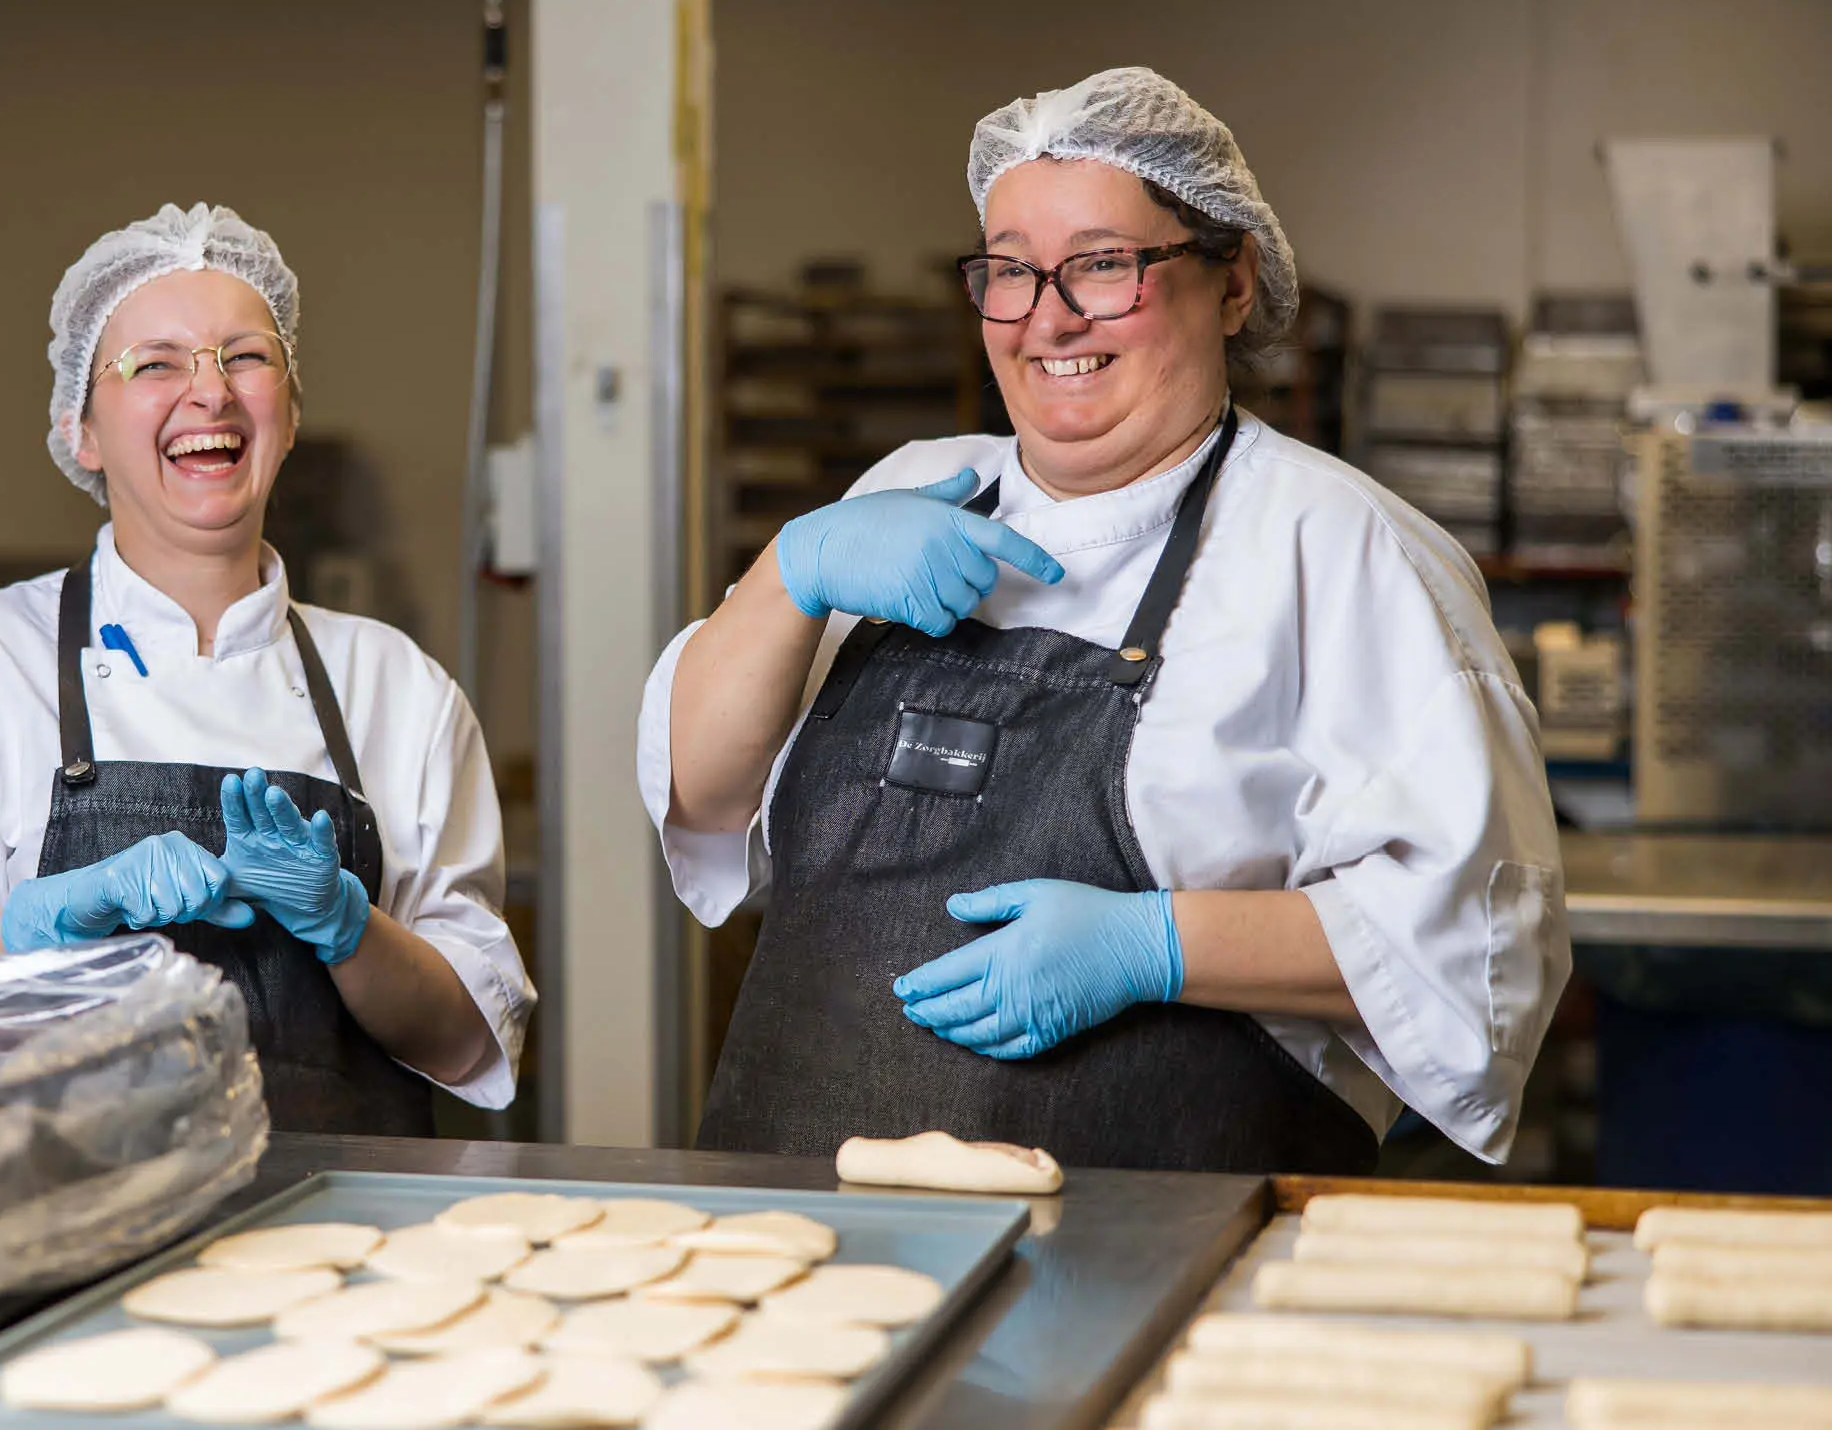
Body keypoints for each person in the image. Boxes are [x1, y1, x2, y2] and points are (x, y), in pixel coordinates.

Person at [641, 68, 1567, 1173]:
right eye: (1010, 269)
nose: (1048, 317)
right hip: (801, 1223)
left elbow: (1477, 942)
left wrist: (1157, 946)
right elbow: (703, 794)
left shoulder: (1342, 552)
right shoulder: (906, 489)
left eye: (1102, 263)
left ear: (1232, 283)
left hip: (1155, 1246)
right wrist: (789, 574)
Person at [0, 204, 532, 1134]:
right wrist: (35, 930)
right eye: (155, 363)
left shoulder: (400, 689)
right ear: (80, 430)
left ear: (290, 413)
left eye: (245, 356)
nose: (210, 392)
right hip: (59, 1203)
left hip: (344, 1208)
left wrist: (348, 927)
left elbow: (468, 1038)